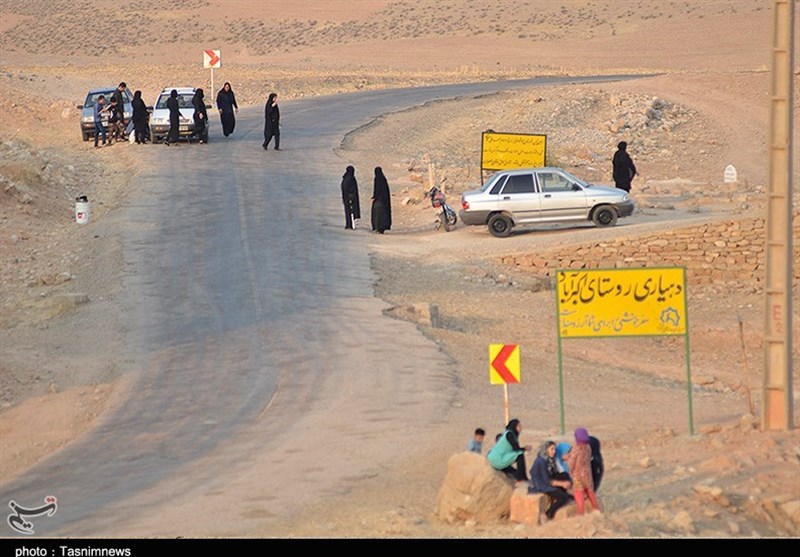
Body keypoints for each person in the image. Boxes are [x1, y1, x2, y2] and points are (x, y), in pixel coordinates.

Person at [529, 440, 573, 523]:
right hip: (541, 484)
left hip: (548, 479)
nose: (554, 451)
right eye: (552, 449)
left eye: (555, 449)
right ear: (546, 449)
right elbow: (547, 481)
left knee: (565, 475)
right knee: (563, 498)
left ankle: (565, 493)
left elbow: (554, 473)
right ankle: (548, 513)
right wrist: (562, 484)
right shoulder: (541, 461)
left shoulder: (549, 459)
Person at [565, 427, 602, 515]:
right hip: (587, 474)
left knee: (579, 494)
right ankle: (596, 509)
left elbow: (571, 463)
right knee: (590, 492)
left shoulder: (576, 449)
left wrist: (568, 472)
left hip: (578, 476)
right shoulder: (588, 447)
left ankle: (580, 513)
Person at [370, 166, 392, 234]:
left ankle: (378, 228)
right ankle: (381, 227)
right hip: (383, 200)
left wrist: (376, 196)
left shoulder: (377, 179)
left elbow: (378, 189)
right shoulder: (383, 179)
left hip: (380, 201)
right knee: (381, 215)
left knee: (378, 215)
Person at [341, 165, 361, 230]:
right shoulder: (351, 178)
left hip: (346, 197)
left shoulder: (345, 177)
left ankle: (349, 224)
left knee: (348, 211)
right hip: (350, 198)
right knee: (351, 211)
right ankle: (350, 224)